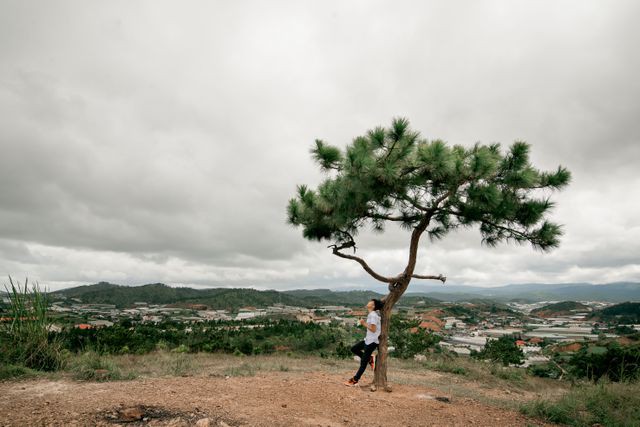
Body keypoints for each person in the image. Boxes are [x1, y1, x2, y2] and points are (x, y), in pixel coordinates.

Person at [344, 298, 383, 386]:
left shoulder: (373, 315)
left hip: (372, 342)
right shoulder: (371, 314)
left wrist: (363, 323)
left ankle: (355, 380)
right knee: (354, 349)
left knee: (363, 363)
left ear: (373, 306)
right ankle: (369, 358)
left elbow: (373, 329)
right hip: (368, 340)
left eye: (370, 302)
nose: (368, 302)